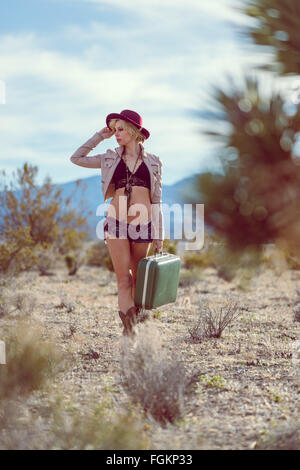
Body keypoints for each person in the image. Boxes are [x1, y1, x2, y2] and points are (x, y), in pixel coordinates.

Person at [70, 109, 164, 337]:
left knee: (139, 281)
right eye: (114, 129)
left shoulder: (154, 162)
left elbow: (157, 200)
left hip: (144, 224)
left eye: (121, 129)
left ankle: (137, 321)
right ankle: (130, 330)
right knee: (123, 280)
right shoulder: (109, 157)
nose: (116, 134)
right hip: (115, 223)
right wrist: (100, 136)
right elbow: (76, 158)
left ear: (134, 131)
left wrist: (159, 234)